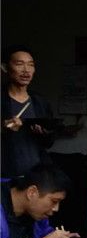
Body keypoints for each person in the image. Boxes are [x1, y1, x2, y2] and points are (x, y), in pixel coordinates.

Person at [1, 46, 55, 179]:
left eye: (31, 65)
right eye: (19, 64)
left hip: (36, 176)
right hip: (5, 175)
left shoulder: (40, 102)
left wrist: (43, 133)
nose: (26, 70)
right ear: (5, 67)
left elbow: (49, 142)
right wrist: (3, 127)